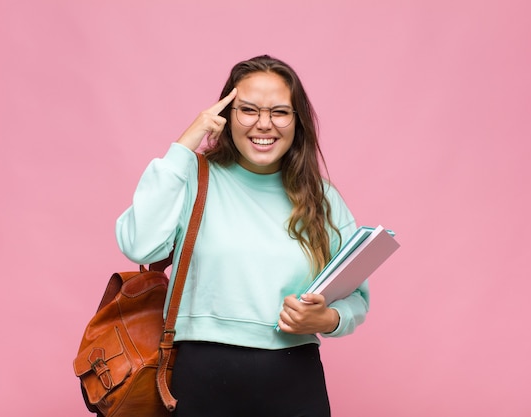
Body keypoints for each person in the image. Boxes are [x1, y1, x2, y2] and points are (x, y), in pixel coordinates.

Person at [115, 55, 369, 417]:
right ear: (225, 115)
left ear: (297, 122)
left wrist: (325, 320)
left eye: (279, 112)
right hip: (200, 376)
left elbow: (356, 295)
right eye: (248, 109)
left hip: (295, 377)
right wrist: (184, 145)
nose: (263, 125)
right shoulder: (192, 179)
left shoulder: (322, 197)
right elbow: (137, 244)